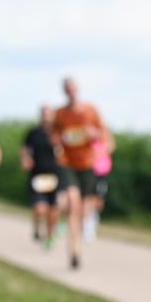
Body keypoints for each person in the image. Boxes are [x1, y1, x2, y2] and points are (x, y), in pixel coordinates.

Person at [51, 77, 106, 269]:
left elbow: (104, 135)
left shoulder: (91, 110)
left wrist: (94, 135)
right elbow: (53, 136)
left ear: (78, 89)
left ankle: (80, 242)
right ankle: (74, 251)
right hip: (67, 163)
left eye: (73, 88)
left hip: (87, 164)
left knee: (83, 210)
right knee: (73, 204)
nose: (70, 92)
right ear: (64, 91)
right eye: (67, 89)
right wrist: (58, 139)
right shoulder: (59, 114)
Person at [22, 106, 62, 249]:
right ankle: (37, 226)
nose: (46, 117)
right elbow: (25, 150)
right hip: (38, 176)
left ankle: (50, 236)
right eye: (43, 114)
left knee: (54, 209)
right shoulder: (33, 133)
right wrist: (25, 160)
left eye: (48, 114)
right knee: (40, 209)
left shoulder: (58, 133)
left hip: (55, 176)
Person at [86, 128, 115, 241]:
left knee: (99, 202)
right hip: (91, 174)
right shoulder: (91, 143)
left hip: (102, 176)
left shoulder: (105, 142)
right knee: (90, 199)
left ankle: (92, 220)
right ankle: (88, 226)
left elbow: (111, 146)